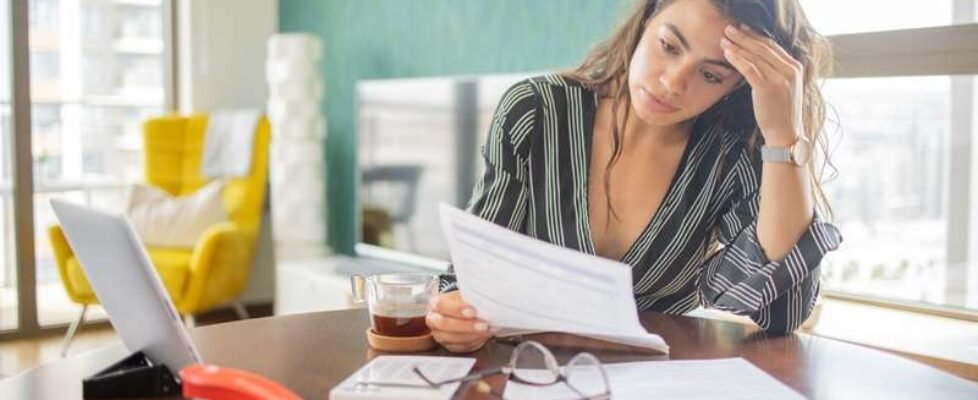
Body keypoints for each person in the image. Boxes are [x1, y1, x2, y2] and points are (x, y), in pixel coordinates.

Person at [426, 0, 843, 353]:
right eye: (668, 46)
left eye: (711, 75)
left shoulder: (733, 154)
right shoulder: (537, 111)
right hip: (531, 376)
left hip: (653, 384)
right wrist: (454, 314)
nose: (673, 82)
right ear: (647, 18)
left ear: (736, 87)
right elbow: (469, 275)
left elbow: (782, 312)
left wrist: (784, 135)